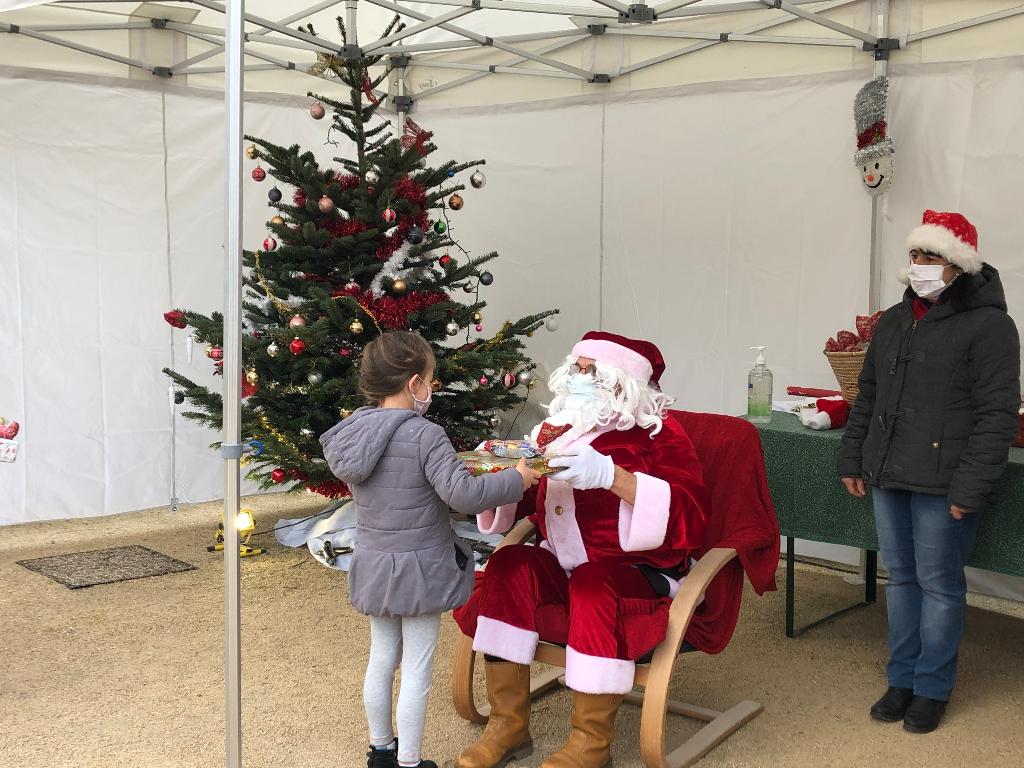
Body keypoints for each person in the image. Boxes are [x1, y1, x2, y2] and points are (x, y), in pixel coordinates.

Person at [453, 331, 709, 768]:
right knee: (510, 563)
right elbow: (533, 508)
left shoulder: (659, 433)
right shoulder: (555, 430)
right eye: (576, 367)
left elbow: (691, 516)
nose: (578, 376)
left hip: (638, 571)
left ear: (625, 382)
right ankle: (508, 725)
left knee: (593, 582)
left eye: (593, 370)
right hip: (563, 564)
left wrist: (615, 478)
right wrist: (500, 476)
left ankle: (590, 744)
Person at [320, 330, 541, 768]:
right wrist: (518, 479)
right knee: (418, 667)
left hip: (374, 562)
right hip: (419, 565)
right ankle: (411, 762)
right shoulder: (424, 434)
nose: (432, 390)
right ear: (414, 382)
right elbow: (462, 496)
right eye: (431, 381)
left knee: (382, 658)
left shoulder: (351, 434)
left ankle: (381, 751)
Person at [837, 210, 1020, 734]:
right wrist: (854, 456)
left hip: (945, 483)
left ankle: (932, 687)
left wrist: (972, 487)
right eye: (915, 255)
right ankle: (902, 679)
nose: (919, 265)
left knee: (940, 586)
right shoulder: (895, 322)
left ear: (958, 266)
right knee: (902, 581)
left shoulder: (991, 327)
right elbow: (867, 395)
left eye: (932, 256)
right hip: (890, 475)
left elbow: (996, 415)